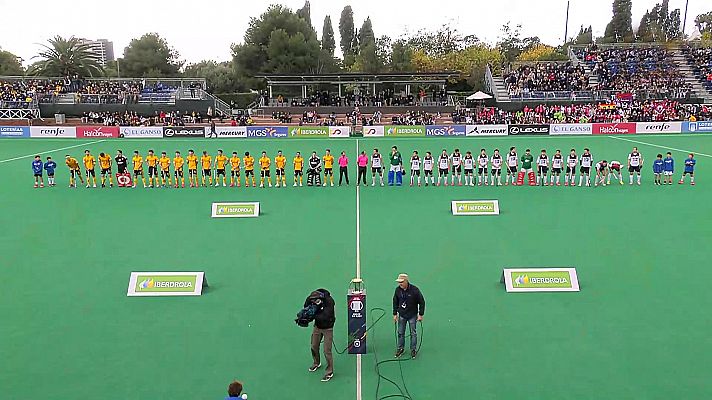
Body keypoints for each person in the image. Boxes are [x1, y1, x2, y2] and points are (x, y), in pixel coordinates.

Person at [392, 274, 425, 359]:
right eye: (399, 282)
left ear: (406, 281)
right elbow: (395, 301)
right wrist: (395, 314)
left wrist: (421, 314)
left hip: (412, 315)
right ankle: (400, 348)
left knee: (413, 333)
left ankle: (413, 350)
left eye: (402, 282)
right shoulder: (398, 290)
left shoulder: (415, 290)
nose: (400, 284)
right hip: (402, 315)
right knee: (400, 333)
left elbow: (422, 302)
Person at [306, 289, 335, 382]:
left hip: (328, 328)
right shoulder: (313, 300)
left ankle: (329, 371)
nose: (314, 302)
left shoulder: (329, 302)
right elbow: (306, 306)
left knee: (327, 350)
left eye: (315, 301)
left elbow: (325, 316)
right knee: (314, 346)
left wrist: (312, 315)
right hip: (317, 327)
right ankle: (316, 363)